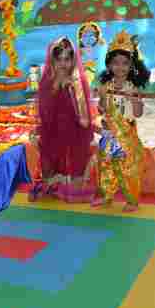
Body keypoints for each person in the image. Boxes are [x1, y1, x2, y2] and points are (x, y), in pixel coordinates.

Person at [29, 37, 94, 203]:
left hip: (74, 132)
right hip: (53, 131)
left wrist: (72, 89)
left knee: (75, 177)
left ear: (73, 60)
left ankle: (71, 183)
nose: (63, 64)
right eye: (59, 60)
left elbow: (84, 119)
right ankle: (53, 183)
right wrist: (56, 87)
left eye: (67, 59)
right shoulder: (47, 82)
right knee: (50, 167)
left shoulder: (77, 82)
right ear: (52, 61)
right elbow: (45, 112)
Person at [91, 30, 150, 211]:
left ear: (131, 66)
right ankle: (106, 196)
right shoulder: (105, 87)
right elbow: (102, 108)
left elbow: (138, 114)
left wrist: (135, 100)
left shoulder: (132, 88)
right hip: (109, 134)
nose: (120, 67)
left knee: (127, 167)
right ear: (109, 65)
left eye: (125, 63)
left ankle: (132, 201)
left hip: (126, 135)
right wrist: (102, 105)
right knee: (106, 165)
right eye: (115, 63)